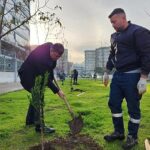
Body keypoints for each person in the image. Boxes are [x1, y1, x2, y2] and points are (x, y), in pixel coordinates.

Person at [103, 8, 150, 149]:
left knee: (133, 107)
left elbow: (147, 54)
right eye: (111, 23)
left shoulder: (139, 32)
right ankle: (118, 132)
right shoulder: (114, 36)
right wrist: (106, 71)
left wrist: (143, 77)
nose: (113, 25)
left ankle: (132, 137)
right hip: (118, 75)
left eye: (114, 22)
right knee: (114, 103)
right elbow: (112, 55)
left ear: (123, 18)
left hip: (133, 75)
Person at [18, 42, 65, 134]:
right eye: (55, 56)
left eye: (58, 57)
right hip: (27, 75)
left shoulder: (51, 50)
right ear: (51, 50)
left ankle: (30, 121)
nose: (56, 58)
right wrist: (57, 91)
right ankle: (40, 127)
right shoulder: (41, 56)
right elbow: (45, 76)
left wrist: (51, 75)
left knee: (37, 96)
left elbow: (50, 70)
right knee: (39, 96)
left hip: (35, 75)